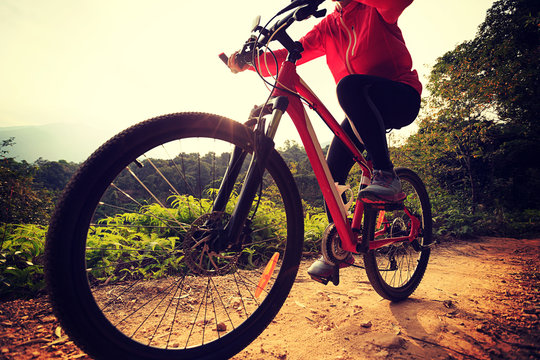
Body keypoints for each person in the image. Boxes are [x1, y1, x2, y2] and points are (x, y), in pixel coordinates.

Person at [228, 0, 421, 283]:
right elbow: (286, 55)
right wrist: (248, 63)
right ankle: (338, 247)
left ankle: (386, 174)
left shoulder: (374, 10)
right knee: (331, 172)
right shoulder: (329, 26)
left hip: (400, 97)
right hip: (360, 110)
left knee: (349, 86)